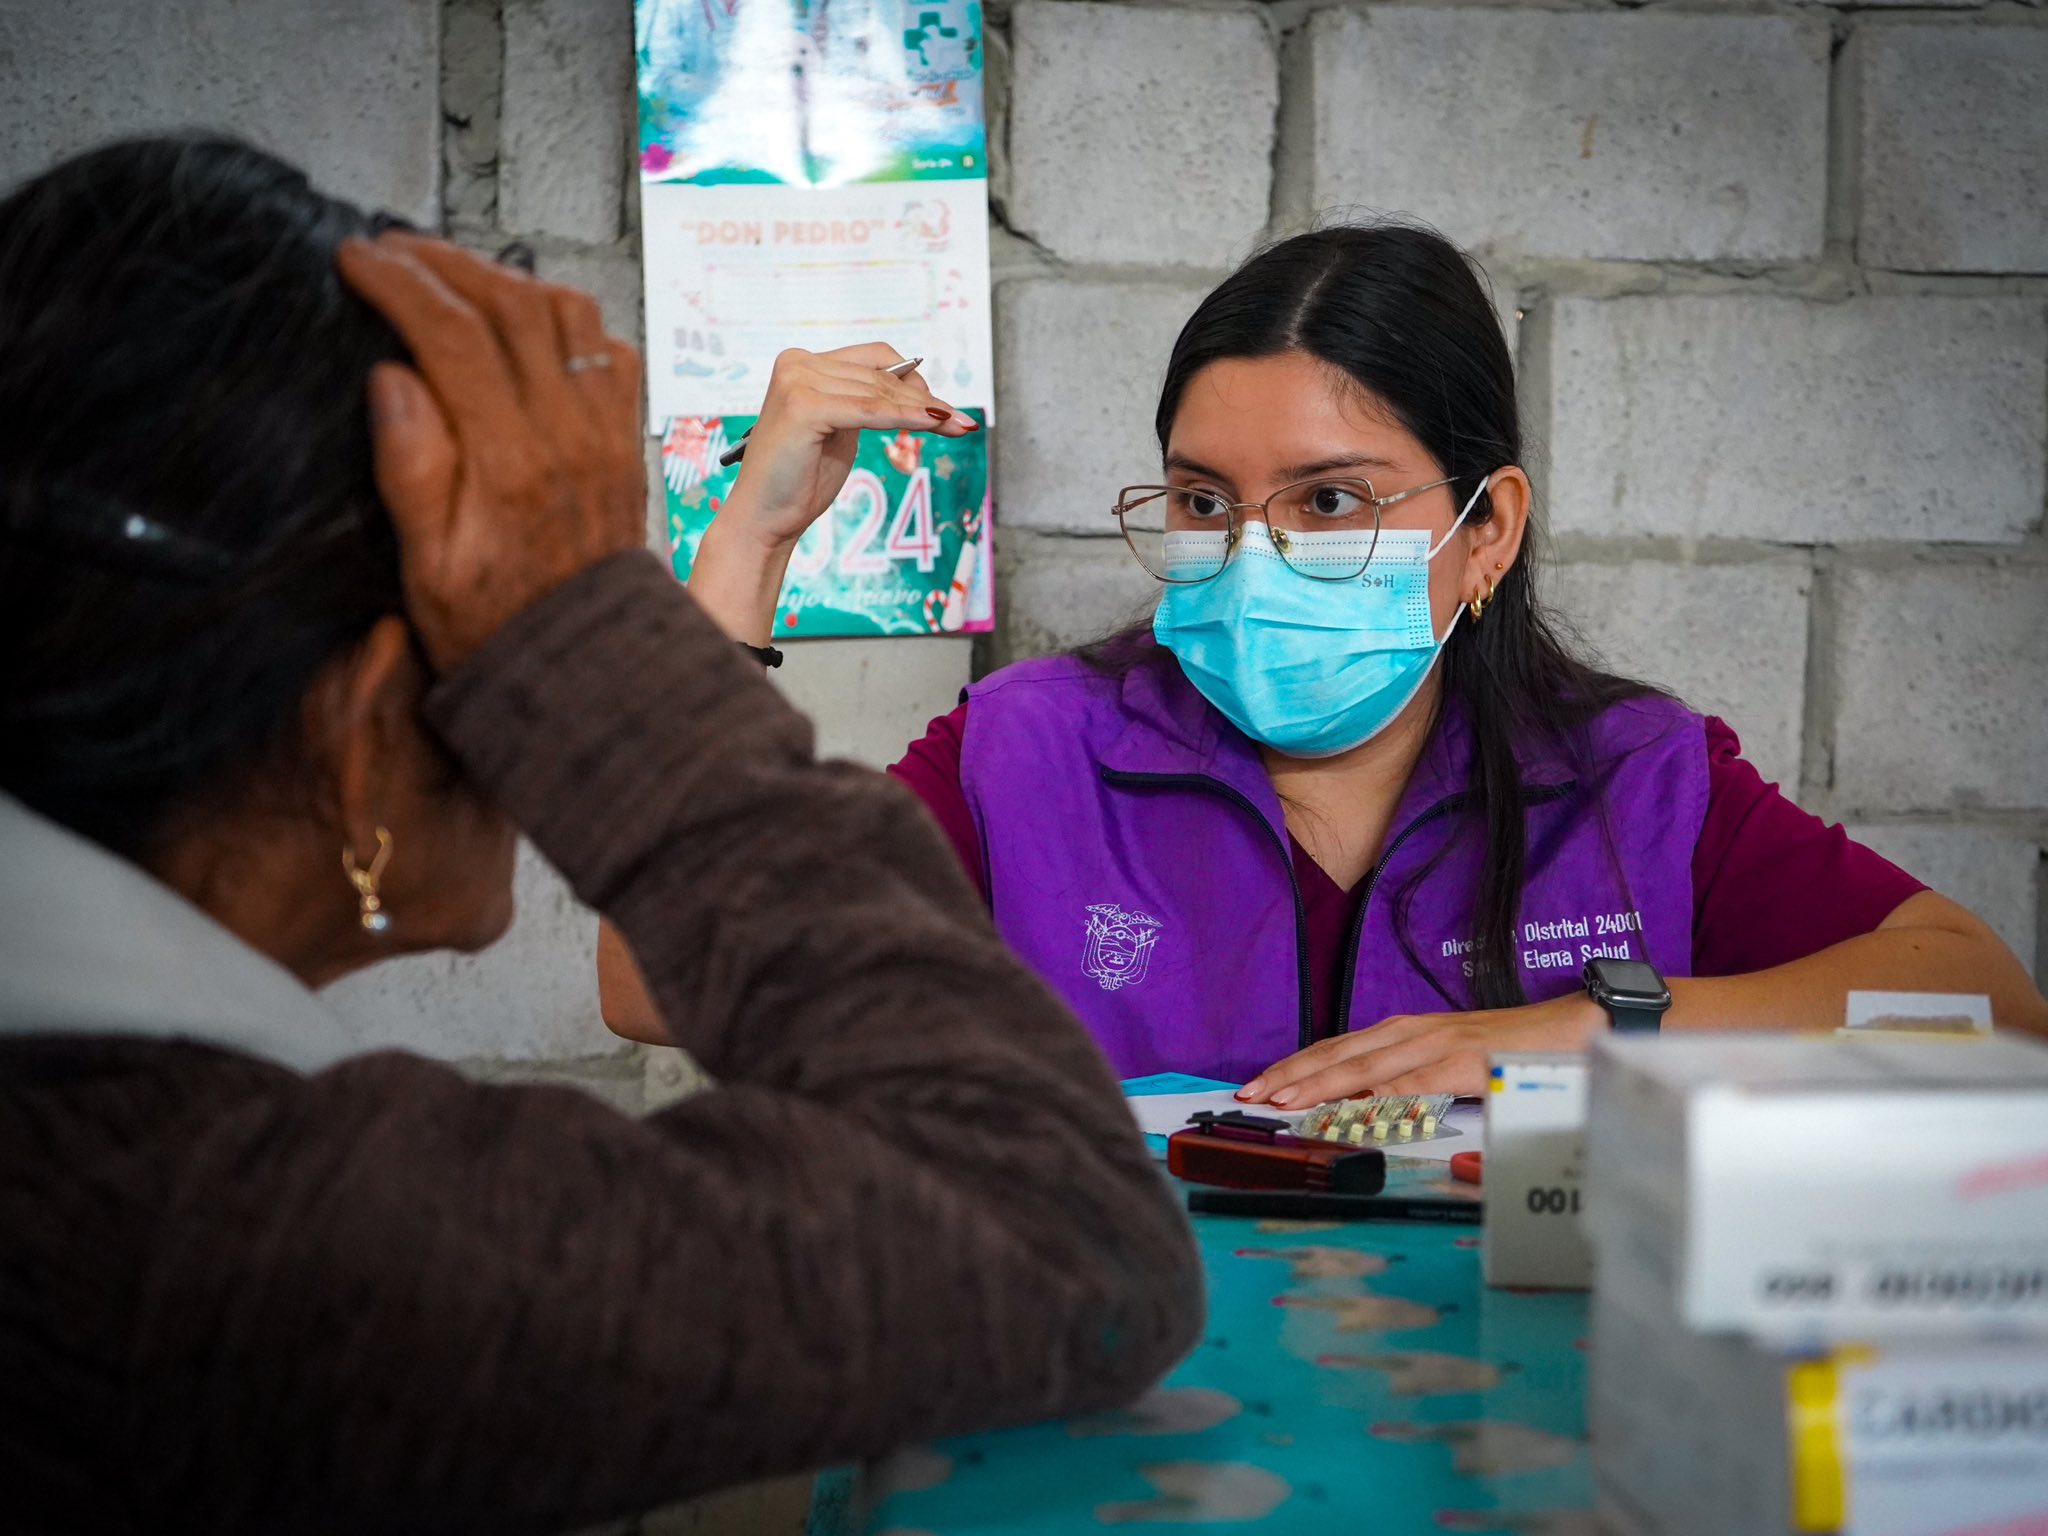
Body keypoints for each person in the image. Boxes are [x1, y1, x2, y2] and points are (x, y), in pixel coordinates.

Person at [0, 136, 1201, 1533]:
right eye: (518, 636)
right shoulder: (218, 1241)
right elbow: (1057, 1228)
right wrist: (609, 657)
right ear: (363, 731)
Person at [602, 221, 2048, 1100]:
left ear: (1488, 532)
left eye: (1333, 500)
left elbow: (1987, 1004)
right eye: (1203, 502)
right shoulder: (1029, 754)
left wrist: (1570, 1034)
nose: (1252, 557)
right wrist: (749, 542)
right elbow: (655, 979)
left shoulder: (1634, 781)